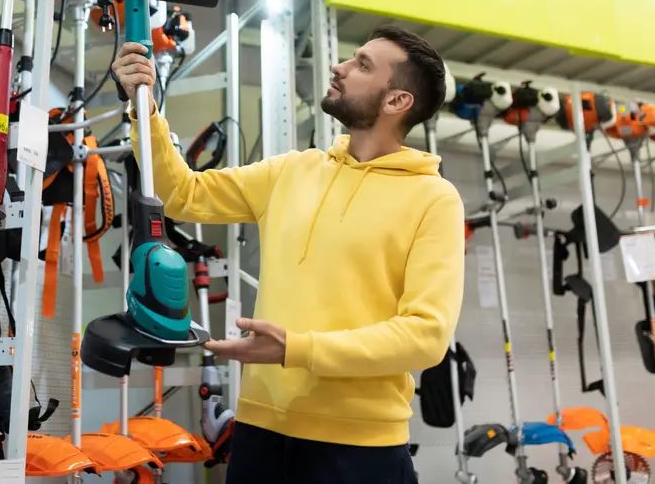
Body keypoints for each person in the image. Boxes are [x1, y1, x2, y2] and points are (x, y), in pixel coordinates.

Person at [112, 24, 465, 484]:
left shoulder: (434, 199)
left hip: (361, 447)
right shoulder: (294, 170)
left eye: (361, 65)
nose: (339, 67)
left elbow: (426, 336)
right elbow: (183, 194)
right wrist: (145, 111)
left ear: (397, 100)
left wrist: (296, 350)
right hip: (260, 433)